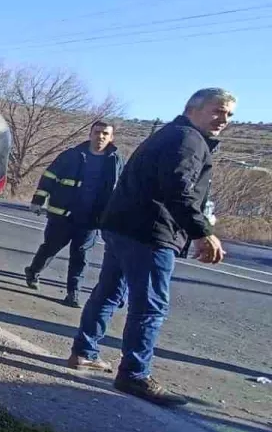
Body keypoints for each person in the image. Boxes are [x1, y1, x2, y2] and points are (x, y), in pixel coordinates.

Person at [67, 88, 235, 407]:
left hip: (125, 226)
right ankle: (134, 374)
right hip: (149, 231)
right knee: (150, 306)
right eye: (217, 111)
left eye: (228, 114)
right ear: (193, 109)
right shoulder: (187, 139)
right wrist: (202, 233)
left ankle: (84, 353)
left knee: (109, 292)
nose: (223, 119)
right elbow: (179, 190)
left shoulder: (174, 135)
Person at [23, 121, 123, 307]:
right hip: (63, 216)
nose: (100, 136)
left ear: (111, 137)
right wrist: (38, 200)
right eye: (97, 132)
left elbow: (121, 188)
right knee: (50, 248)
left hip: (92, 220)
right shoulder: (72, 155)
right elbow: (49, 176)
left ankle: (73, 293)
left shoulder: (115, 161)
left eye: (105, 134)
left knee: (81, 256)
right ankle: (33, 271)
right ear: (90, 134)